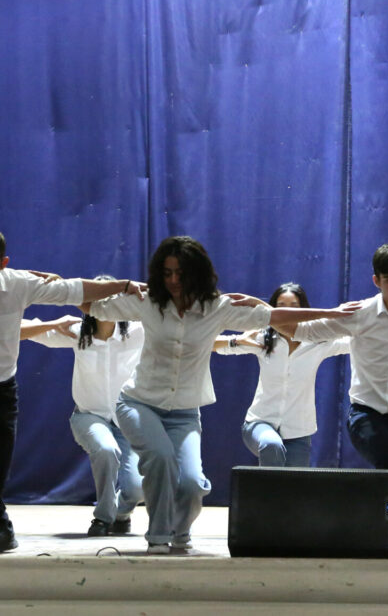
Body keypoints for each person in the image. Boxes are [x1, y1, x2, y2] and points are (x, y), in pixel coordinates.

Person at [87, 235, 357, 555]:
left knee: (191, 484)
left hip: (188, 414)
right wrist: (118, 285)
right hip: (140, 403)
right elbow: (89, 305)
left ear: (197, 273)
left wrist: (335, 313)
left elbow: (278, 318)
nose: (173, 280)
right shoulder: (149, 302)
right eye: (167, 273)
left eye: (181, 273)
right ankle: (158, 536)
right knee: (161, 458)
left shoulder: (217, 308)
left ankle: (180, 532)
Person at [0, 226, 146, 556]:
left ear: (3, 264)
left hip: (1, 391)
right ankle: (0, 525)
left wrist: (123, 285)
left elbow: (74, 289)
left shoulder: (18, 284)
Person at [281, 242, 388, 533]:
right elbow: (302, 331)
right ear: (376, 281)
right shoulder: (359, 313)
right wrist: (260, 313)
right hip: (367, 415)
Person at [20, 280, 144, 537]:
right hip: (89, 416)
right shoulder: (77, 334)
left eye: (113, 301)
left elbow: (175, 324)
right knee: (106, 450)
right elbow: (23, 330)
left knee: (135, 488)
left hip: (126, 419)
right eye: (99, 301)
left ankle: (121, 513)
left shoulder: (138, 332)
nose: (106, 307)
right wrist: (55, 324)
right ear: (89, 306)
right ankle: (103, 518)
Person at [214, 282, 350, 467]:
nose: (288, 311)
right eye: (282, 306)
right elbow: (212, 344)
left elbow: (353, 342)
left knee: (291, 484)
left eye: (294, 306)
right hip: (260, 423)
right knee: (271, 445)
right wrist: (237, 340)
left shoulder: (318, 343)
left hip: (299, 432)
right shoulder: (263, 339)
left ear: (304, 311)